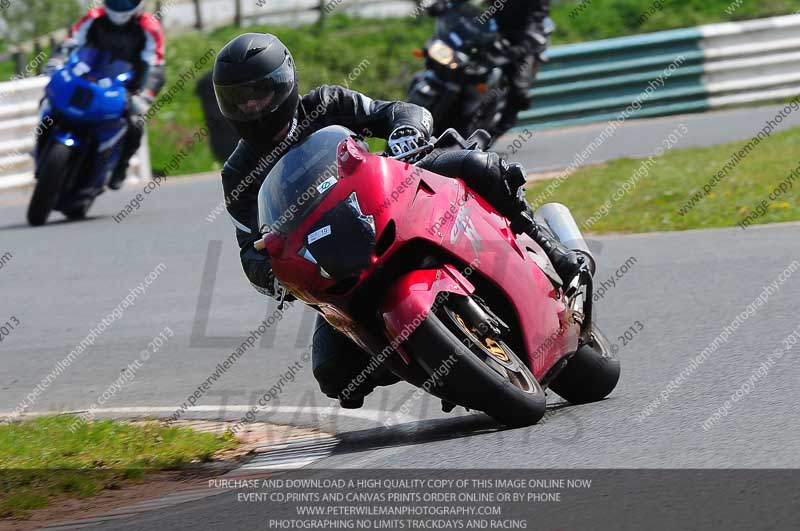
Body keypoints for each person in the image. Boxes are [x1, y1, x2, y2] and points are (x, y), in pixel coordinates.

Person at [213, 33, 583, 408]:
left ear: (285, 84)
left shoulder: (326, 103)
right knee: (335, 375)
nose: (253, 106)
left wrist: (405, 131)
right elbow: (250, 248)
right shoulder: (238, 173)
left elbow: (397, 112)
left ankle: (553, 249)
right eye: (239, 100)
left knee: (476, 165)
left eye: (261, 92)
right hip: (333, 264)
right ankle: (439, 366)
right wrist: (271, 272)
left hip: (391, 199)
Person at [42, 0, 165, 190]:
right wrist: (57, 60)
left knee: (135, 123)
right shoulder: (94, 16)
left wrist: (146, 94)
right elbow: (72, 41)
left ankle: (120, 168)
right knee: (49, 99)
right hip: (87, 74)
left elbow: (155, 65)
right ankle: (40, 146)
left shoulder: (150, 27)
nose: (120, 4)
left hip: (125, 86)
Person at [430, 0, 552, 137]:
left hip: (523, 39)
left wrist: (523, 46)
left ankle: (501, 126)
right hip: (491, 33)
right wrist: (447, 5)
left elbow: (536, 19)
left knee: (519, 88)